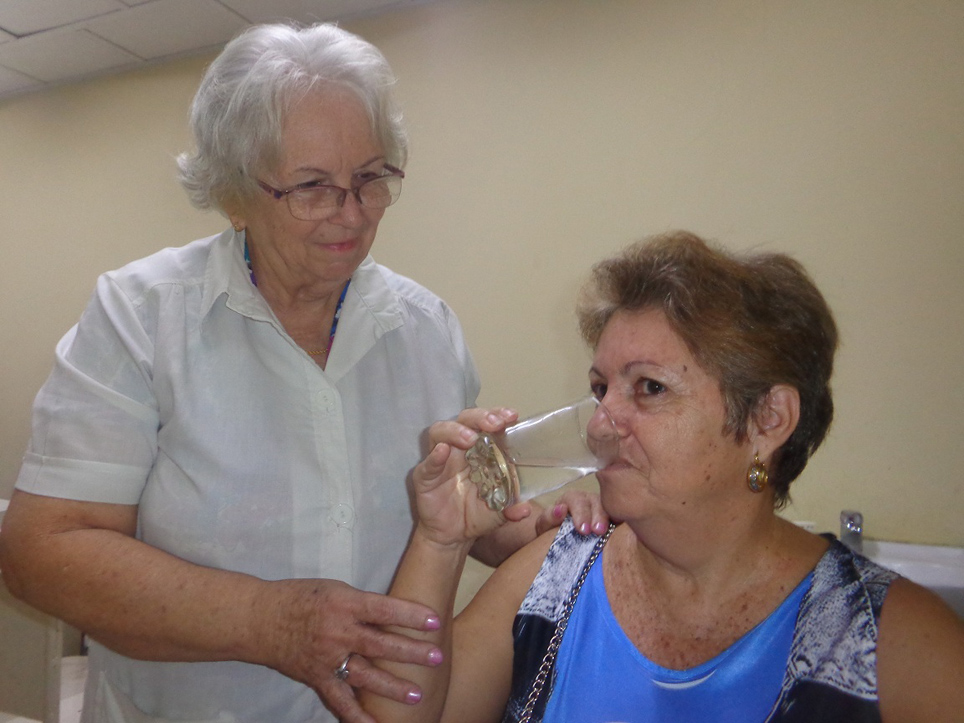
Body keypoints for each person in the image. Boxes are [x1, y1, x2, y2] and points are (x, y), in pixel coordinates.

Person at [0, 23, 605, 723]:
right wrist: (273, 622)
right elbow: (40, 551)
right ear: (235, 192)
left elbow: (453, 518)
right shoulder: (141, 318)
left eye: (370, 178)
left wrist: (528, 527)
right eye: (314, 186)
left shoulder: (426, 329)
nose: (351, 213)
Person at [360, 231, 964, 723]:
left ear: (767, 420)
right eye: (601, 388)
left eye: (649, 387)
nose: (601, 424)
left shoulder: (895, 643)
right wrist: (441, 539)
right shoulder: (553, 578)